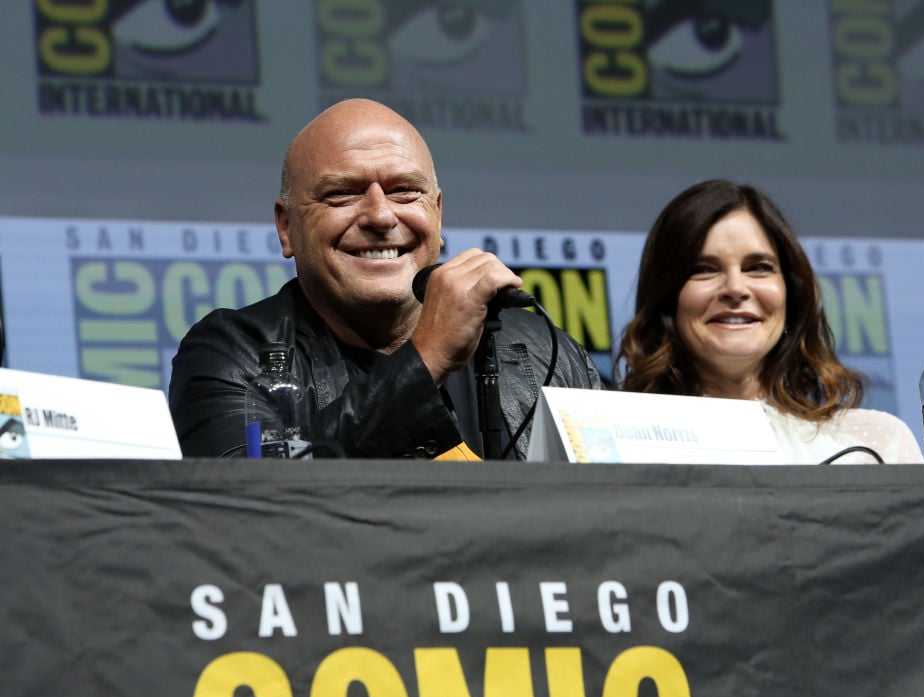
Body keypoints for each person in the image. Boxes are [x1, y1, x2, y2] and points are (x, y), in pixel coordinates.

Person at [169, 98, 602, 460]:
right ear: (287, 227)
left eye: (404, 191)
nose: (380, 215)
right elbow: (251, 513)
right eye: (341, 193)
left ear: (437, 212)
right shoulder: (234, 355)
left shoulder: (548, 352)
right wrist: (425, 358)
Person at [616, 179, 924, 464]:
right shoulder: (615, 443)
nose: (735, 288)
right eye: (704, 269)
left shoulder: (876, 445)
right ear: (667, 299)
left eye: (758, 267)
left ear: (791, 292)